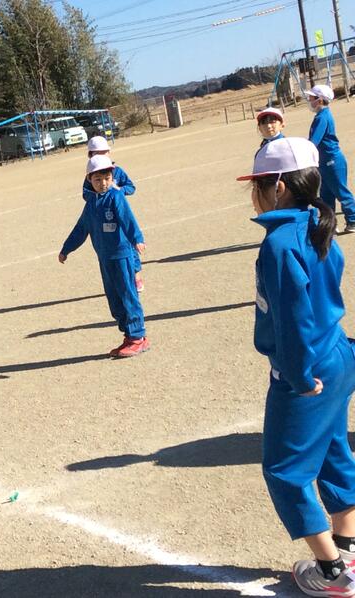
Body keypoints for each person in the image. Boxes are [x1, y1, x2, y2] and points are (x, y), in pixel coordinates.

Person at [238, 137, 355, 597]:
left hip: (308, 368)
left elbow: (292, 320)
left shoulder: (280, 243)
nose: (255, 194)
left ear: (280, 187)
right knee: (332, 451)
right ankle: (347, 545)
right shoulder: (317, 223)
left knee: (284, 470)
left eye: (259, 184)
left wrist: (298, 377)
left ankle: (332, 572)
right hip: (338, 353)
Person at [59, 155, 149, 358]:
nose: (103, 183)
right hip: (105, 258)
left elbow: (127, 219)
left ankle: (138, 337)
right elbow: (81, 229)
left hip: (122, 255)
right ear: (89, 179)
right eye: (98, 179)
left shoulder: (116, 197)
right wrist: (66, 249)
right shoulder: (91, 204)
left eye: (107, 178)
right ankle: (129, 335)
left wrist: (137, 238)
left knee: (128, 295)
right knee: (114, 300)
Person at [85, 135, 143, 292]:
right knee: (111, 249)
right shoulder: (91, 174)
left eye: (104, 152)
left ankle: (136, 276)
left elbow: (131, 187)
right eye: (96, 153)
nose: (101, 155)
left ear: (109, 152)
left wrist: (119, 191)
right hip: (103, 217)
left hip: (121, 214)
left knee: (130, 244)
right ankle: (117, 282)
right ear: (90, 155)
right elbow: (86, 194)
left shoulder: (117, 171)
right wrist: (97, 200)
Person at [306, 84, 355, 234]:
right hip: (323, 162)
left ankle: (353, 220)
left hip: (332, 160)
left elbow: (314, 141)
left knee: (341, 191)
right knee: (326, 195)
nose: (309, 100)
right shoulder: (321, 116)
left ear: (320, 100)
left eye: (312, 98)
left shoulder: (322, 117)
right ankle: (329, 225)